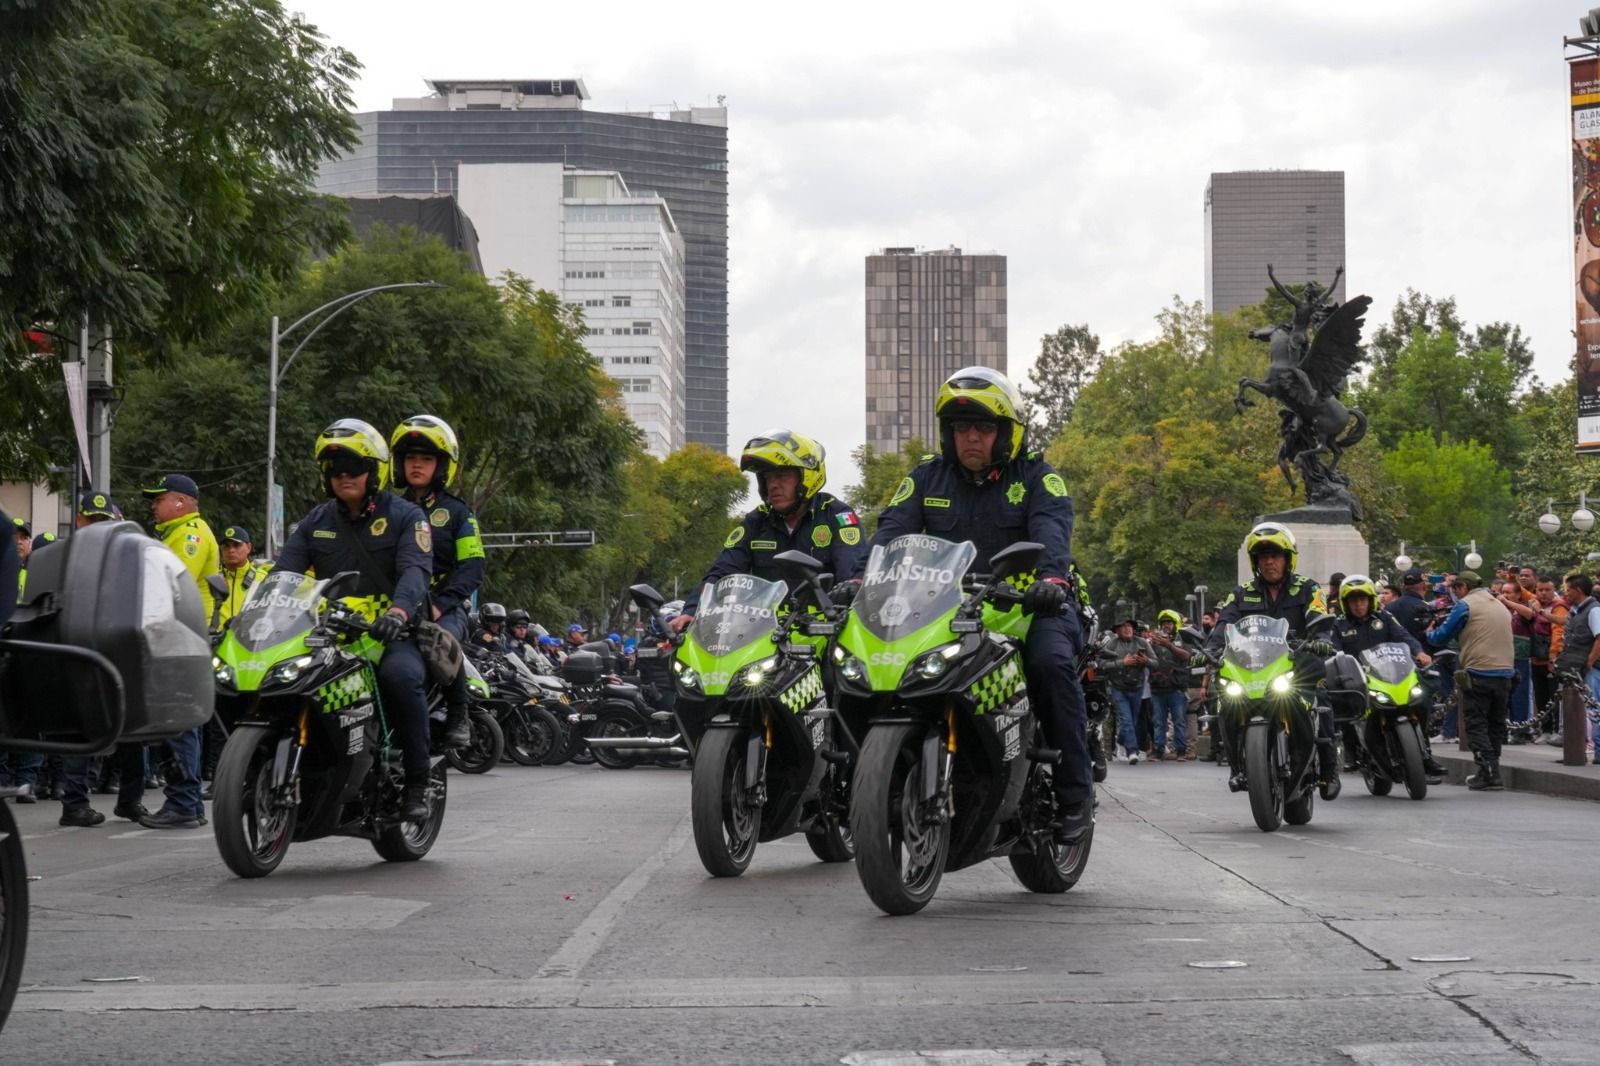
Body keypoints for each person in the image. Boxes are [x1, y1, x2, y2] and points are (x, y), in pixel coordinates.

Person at [852, 368, 1092, 842]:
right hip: (947, 611)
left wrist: (1051, 580)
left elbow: (1052, 535)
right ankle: (869, 780)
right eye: (962, 429)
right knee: (869, 662)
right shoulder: (926, 477)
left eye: (983, 428)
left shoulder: (1040, 478)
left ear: (1007, 433)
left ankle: (1073, 796)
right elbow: (891, 530)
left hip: (1030, 607)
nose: (972, 439)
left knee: (1050, 665)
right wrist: (862, 578)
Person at [274, 418, 436, 820]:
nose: (343, 475)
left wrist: (398, 612)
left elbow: (416, 570)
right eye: (334, 468)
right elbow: (282, 576)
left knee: (399, 679)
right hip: (327, 636)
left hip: (389, 633)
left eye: (352, 466)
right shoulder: (315, 521)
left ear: (375, 471)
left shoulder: (406, 517)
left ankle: (418, 781)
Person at [672, 429, 867, 628]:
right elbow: (722, 572)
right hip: (763, 636)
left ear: (807, 475)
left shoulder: (837, 517)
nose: (773, 485)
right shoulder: (755, 522)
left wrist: (853, 586)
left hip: (822, 633)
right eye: (767, 478)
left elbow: (853, 573)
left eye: (782, 475)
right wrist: (691, 611)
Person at [1207, 522, 1340, 798]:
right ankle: (1236, 766)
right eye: (1263, 557)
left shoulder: (1307, 588)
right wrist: (1209, 650)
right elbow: (1225, 624)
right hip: (1251, 666)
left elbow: (1318, 614)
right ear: (1256, 562)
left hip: (1297, 660)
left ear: (1288, 558)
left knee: (1321, 696)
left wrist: (1322, 639)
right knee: (1224, 698)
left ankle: (1328, 768)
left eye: (1275, 555)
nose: (1269, 562)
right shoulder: (1241, 593)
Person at [53, 493, 151, 826]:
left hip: (118, 650)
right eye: (90, 520)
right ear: (79, 520)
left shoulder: (128, 559)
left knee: (132, 729)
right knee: (80, 730)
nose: (95, 527)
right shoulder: (62, 556)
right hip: (79, 649)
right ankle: (75, 805)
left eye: (102, 522)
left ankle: (130, 800)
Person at [389, 414, 483, 748]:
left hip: (443, 606)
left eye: (426, 459)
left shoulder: (458, 513)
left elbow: (473, 567)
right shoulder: (386, 508)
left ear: (440, 466)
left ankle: (459, 711)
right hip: (395, 603)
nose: (417, 465)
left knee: (441, 640)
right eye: (411, 458)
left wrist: (442, 605)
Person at [137, 473, 221, 829]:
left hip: (182, 637)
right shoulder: (172, 535)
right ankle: (185, 802)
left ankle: (185, 802)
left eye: (160, 499)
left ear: (182, 502)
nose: (154, 506)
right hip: (175, 636)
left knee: (179, 721)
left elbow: (169, 580)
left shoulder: (191, 535)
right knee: (175, 721)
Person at [1330, 575, 1444, 780]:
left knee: (1421, 698)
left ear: (1370, 600)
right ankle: (1351, 751)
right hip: (1358, 677)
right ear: (1345, 603)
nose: (1358, 604)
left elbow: (1403, 636)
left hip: (1389, 673)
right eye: (1353, 600)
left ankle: (1425, 755)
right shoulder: (1339, 625)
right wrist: (1337, 663)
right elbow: (1334, 651)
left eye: (1362, 599)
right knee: (1346, 701)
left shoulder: (1384, 618)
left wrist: (1420, 653)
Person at [1426, 571, 1514, 790]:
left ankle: (1488, 772)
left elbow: (1441, 636)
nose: (1455, 593)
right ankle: (1493, 769)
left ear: (1464, 586)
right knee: (1495, 724)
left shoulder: (1465, 605)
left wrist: (1428, 632)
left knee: (1476, 724)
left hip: (1479, 672)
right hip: (1505, 673)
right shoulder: (1500, 605)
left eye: (1456, 588)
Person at [1556, 574, 1600, 763]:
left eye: (1568, 590)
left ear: (1578, 590)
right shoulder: (1575, 611)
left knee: (1594, 709)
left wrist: (1590, 661)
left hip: (1591, 669)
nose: (1566, 595)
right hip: (1575, 668)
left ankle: (1599, 751)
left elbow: (1599, 637)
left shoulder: (1594, 610)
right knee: (1578, 709)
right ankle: (1576, 750)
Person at [1097, 611, 1151, 765]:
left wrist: (1145, 660)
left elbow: (1156, 663)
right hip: (1118, 687)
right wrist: (1122, 662)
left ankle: (1121, 741)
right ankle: (1132, 751)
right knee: (1126, 720)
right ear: (1117, 630)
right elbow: (1101, 664)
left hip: (1137, 686)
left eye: (1130, 626)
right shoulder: (1111, 644)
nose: (1127, 629)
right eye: (1123, 627)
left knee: (1132, 721)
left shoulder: (1142, 643)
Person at [1147, 609, 1192, 761]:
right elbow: (1148, 659)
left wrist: (1169, 645)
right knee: (1159, 722)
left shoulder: (1182, 638)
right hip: (1157, 687)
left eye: (1169, 623)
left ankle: (1181, 751)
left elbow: (1187, 656)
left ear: (1175, 625)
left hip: (1176, 687)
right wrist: (1151, 644)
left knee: (1179, 721)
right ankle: (1158, 751)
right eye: (1164, 623)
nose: (1166, 626)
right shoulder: (1153, 641)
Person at [1499, 566, 1538, 727]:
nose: (1505, 595)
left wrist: (1507, 602)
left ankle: (1520, 727)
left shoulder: (1524, 606)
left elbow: (1530, 615)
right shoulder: (1498, 609)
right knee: (1503, 694)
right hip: (1501, 658)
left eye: (1509, 593)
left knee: (1520, 694)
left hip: (1521, 658)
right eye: (1503, 592)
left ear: (1517, 595)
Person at [1533, 576, 1569, 740]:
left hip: (1551, 661)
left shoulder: (1559, 607)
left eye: (1547, 589)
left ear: (1553, 589)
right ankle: (1545, 730)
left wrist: (1553, 657)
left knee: (1554, 697)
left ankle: (1555, 731)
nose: (1544, 593)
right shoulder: (1534, 604)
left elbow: (1558, 633)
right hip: (1535, 659)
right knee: (1540, 698)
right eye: (1540, 590)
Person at [215, 525, 272, 625]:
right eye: (226, 546)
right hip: (217, 638)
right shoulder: (213, 578)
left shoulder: (263, 579)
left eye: (236, 545)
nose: (231, 550)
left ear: (249, 547)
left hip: (248, 638)